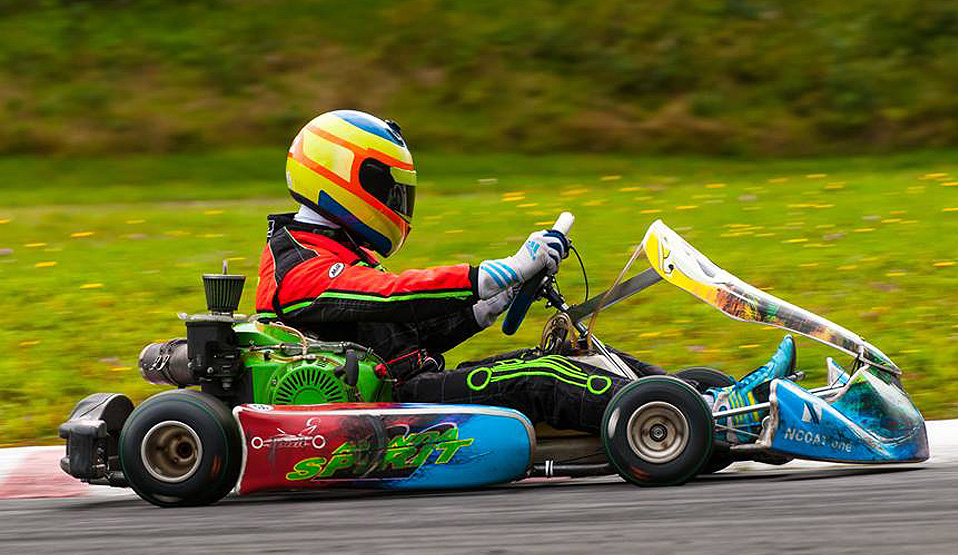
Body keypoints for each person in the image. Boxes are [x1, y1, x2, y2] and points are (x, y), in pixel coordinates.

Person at [255, 110, 794, 434]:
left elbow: (410, 329)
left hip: (403, 389)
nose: (396, 201)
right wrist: (502, 270)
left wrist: (497, 297)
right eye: (388, 188)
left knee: (568, 356)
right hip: (378, 413)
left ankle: (712, 404)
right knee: (539, 377)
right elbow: (391, 297)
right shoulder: (295, 267)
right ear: (343, 178)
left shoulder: (333, 255)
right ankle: (687, 419)